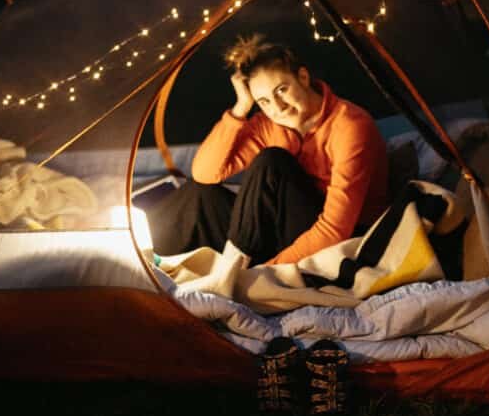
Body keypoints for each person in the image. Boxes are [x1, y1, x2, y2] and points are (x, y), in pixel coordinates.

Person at [147, 33, 389, 267]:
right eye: (264, 101)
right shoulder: (269, 123)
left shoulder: (350, 125)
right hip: (284, 232)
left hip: (338, 241)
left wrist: (266, 272)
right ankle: (140, 258)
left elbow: (335, 229)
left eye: (282, 90)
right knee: (201, 195)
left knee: (271, 162)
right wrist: (241, 108)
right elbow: (204, 173)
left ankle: (231, 270)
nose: (278, 107)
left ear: (303, 77)